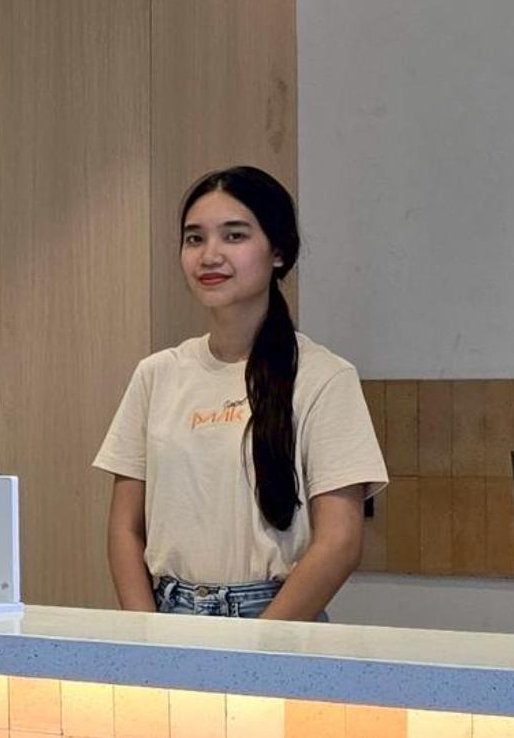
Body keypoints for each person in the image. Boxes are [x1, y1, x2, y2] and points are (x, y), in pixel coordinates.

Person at [94, 166, 387, 620]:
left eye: (234, 236)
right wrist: (144, 634)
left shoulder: (325, 377)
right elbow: (125, 529)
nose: (210, 255)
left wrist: (258, 645)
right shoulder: (156, 374)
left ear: (278, 251)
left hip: (278, 617)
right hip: (167, 614)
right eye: (194, 239)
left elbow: (340, 541)